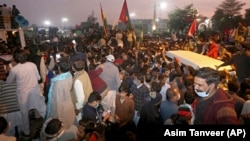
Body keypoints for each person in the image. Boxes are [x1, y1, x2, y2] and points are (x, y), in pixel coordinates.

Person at [6, 49, 46, 136]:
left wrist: (9, 71)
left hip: (23, 95)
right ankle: (49, 125)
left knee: (24, 115)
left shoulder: (14, 70)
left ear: (16, 58)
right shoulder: (32, 65)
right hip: (35, 92)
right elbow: (38, 78)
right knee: (43, 110)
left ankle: (26, 132)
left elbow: (8, 82)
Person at [45, 57, 76, 129]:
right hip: (68, 105)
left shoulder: (58, 83)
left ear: (59, 68)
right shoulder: (69, 75)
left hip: (62, 111)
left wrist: (58, 119)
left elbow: (58, 103)